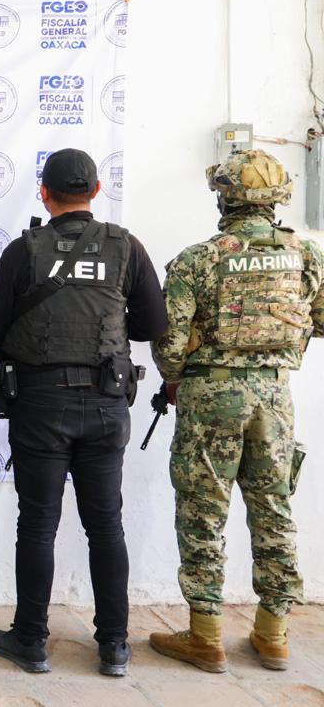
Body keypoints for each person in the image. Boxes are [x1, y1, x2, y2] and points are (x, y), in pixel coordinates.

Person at [0, 148, 167, 677]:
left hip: (41, 403)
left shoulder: (25, 250)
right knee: (106, 525)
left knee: (38, 523)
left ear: (44, 193)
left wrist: (31, 362)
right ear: (97, 190)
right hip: (107, 403)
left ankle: (31, 640)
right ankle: (114, 645)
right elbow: (153, 325)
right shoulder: (125, 247)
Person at [149, 149, 324, 673]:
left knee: (203, 512)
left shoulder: (197, 259)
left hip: (210, 398)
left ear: (224, 198)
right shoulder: (307, 256)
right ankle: (273, 634)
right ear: (277, 200)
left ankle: (206, 637)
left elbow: (170, 348)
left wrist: (179, 376)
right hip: (274, 398)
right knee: (274, 509)